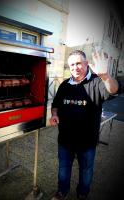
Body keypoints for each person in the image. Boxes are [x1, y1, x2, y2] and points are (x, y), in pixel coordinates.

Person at [49, 50, 119, 200]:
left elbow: (113, 90)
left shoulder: (97, 82)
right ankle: (62, 191)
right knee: (63, 169)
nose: (75, 67)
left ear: (86, 64)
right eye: (72, 64)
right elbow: (55, 104)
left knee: (86, 171)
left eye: (79, 63)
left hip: (87, 141)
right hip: (65, 140)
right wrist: (54, 114)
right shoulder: (64, 85)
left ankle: (82, 193)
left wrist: (105, 76)